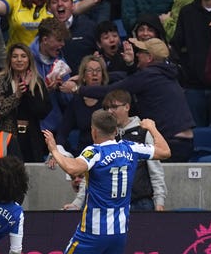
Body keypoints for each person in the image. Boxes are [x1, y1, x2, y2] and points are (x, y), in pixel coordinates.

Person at [42, 109, 170, 254]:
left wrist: (54, 150)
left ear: (93, 131)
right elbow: (164, 151)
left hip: (94, 227)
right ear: (115, 131)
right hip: (120, 229)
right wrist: (152, 128)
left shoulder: (94, 152)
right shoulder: (130, 147)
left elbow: (73, 168)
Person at [62, 38, 195, 162]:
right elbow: (131, 80)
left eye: (141, 52)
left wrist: (77, 89)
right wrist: (130, 65)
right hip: (185, 141)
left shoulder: (148, 76)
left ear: (149, 58)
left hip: (171, 143)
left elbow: (111, 90)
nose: (137, 55)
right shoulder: (166, 73)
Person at [103, 90, 167, 211]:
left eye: (114, 107)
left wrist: (159, 201)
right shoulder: (106, 135)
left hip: (141, 203)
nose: (110, 111)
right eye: (107, 108)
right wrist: (78, 203)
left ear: (127, 107)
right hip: (113, 204)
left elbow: (156, 170)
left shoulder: (143, 131)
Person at [170, 0, 211, 128]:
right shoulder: (187, 12)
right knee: (197, 136)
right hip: (194, 86)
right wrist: (185, 73)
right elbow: (176, 45)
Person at [0, 43, 52, 162]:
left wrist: (28, 91)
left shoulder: (37, 82)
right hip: (6, 138)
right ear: (10, 59)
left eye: (23, 56)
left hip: (32, 139)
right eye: (15, 56)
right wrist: (17, 95)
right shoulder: (1, 79)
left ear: (29, 59)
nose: (19, 60)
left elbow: (42, 111)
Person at [54, 55, 109, 156]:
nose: (95, 74)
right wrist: (58, 149)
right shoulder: (76, 101)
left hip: (107, 151)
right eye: (90, 70)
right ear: (83, 77)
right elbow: (63, 130)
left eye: (98, 70)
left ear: (103, 75)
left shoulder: (109, 98)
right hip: (84, 153)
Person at [49, 0, 97, 74]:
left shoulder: (89, 27)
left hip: (85, 83)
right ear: (49, 9)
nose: (60, 4)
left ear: (72, 6)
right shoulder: (45, 31)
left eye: (64, 0)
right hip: (55, 83)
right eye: (55, 2)